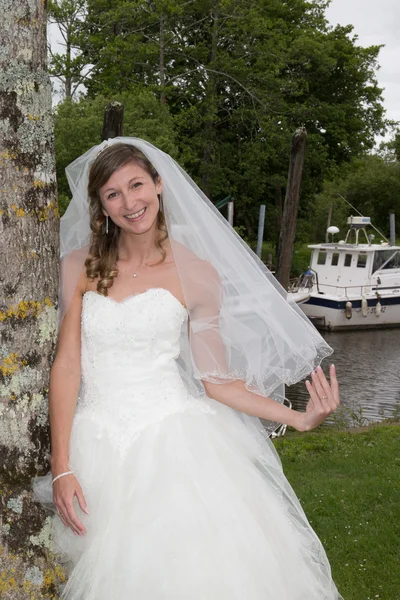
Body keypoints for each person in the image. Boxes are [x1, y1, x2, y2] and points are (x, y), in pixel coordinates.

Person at [33, 138, 343, 599]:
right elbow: (67, 366)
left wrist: (298, 417)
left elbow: (216, 381)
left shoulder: (197, 273)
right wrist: (61, 466)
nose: (129, 202)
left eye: (137, 185)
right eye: (113, 194)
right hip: (94, 446)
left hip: (176, 448)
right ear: (100, 206)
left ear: (158, 185)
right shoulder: (78, 267)